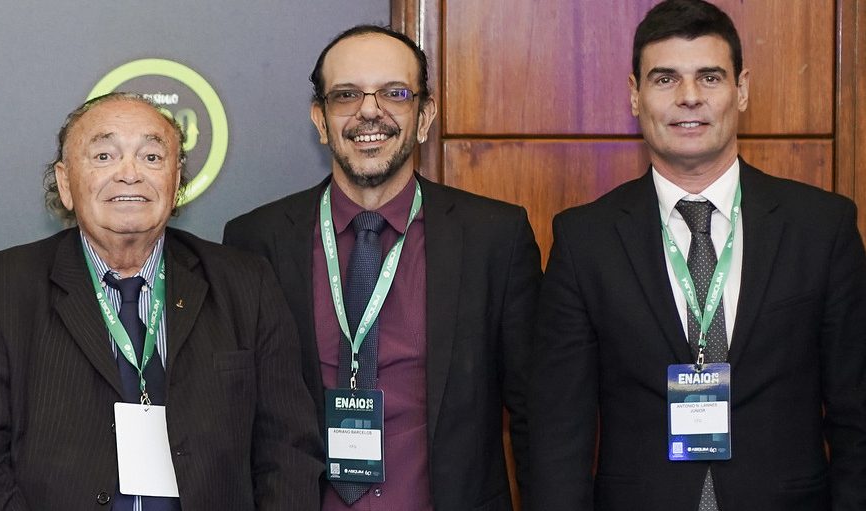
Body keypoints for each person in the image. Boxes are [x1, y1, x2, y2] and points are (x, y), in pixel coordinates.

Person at [527, 1, 866, 509]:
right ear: (635, 95)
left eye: (710, 77)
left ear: (741, 89)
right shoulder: (584, 239)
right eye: (665, 79)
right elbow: (559, 431)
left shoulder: (822, 227)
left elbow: (855, 415)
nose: (689, 97)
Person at [0, 93, 318, 510]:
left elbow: (288, 453)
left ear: (176, 182)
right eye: (104, 156)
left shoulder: (246, 284)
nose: (130, 174)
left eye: (152, 157)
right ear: (65, 183)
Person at [223, 25, 539, 510]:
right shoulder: (256, 240)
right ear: (321, 120)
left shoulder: (494, 237)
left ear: (424, 116)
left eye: (395, 93)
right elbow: (236, 420)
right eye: (346, 95)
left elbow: (538, 413)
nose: (369, 111)